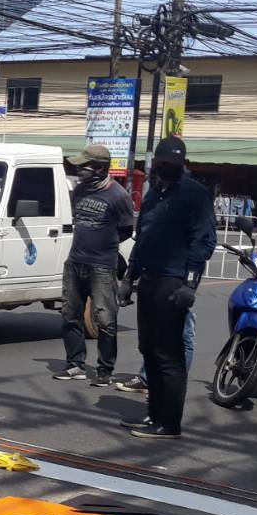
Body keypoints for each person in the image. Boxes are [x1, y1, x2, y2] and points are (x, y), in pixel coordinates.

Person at [120, 137, 216, 440]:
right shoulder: (154, 194)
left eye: (174, 165)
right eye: (164, 164)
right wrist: (128, 278)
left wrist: (190, 283)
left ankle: (169, 423)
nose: (168, 169)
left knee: (168, 355)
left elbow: (203, 241)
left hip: (173, 282)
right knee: (148, 348)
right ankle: (154, 414)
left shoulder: (195, 195)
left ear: (182, 165)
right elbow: (143, 236)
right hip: (148, 279)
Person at [55, 142, 136, 386]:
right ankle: (75, 364)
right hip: (75, 262)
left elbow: (125, 230)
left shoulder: (118, 196)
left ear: (100, 168)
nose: (81, 170)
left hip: (102, 266)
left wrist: (103, 245)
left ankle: (105, 369)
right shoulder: (79, 190)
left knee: (104, 319)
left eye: (85, 166)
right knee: (70, 314)